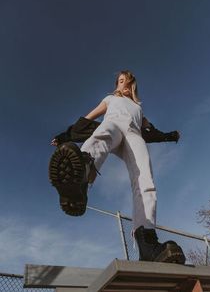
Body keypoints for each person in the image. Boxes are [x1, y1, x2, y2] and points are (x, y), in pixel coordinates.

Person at [49, 70, 185, 263]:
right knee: (102, 135)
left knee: (145, 179)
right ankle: (81, 174)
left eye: (127, 82)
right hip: (113, 126)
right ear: (117, 85)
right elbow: (89, 118)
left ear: (133, 85)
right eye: (120, 82)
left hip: (133, 136)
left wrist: (169, 136)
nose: (124, 85)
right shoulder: (111, 99)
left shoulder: (139, 108)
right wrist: (65, 135)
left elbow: (152, 131)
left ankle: (147, 243)